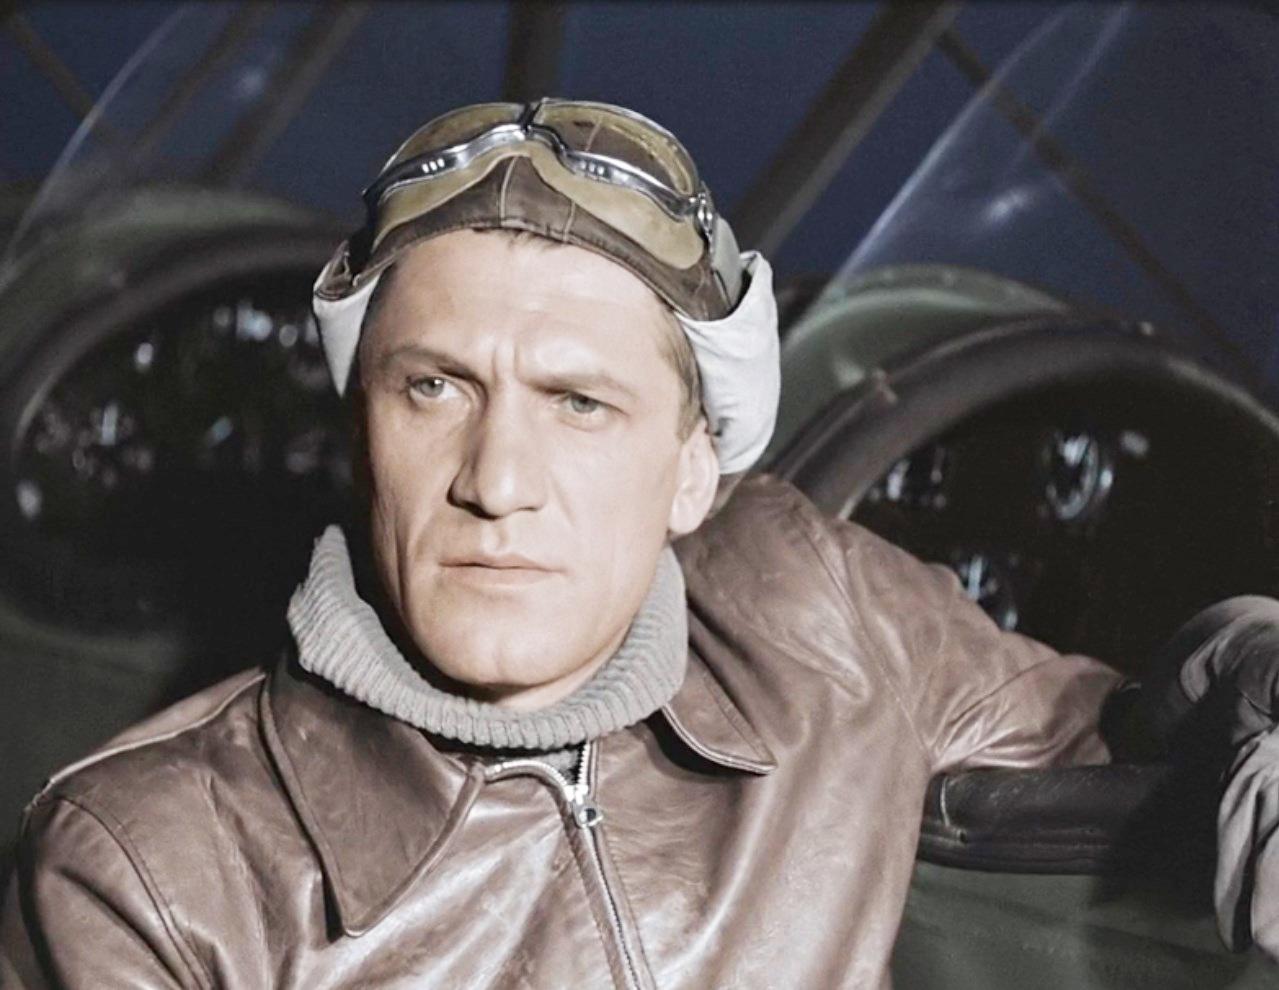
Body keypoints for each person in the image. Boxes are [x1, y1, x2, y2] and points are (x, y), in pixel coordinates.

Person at [0, 98, 1274, 989]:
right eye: (433, 389)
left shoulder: (817, 606)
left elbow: (1113, 732)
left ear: (692, 471)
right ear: (358, 436)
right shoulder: (149, 871)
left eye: (579, 404)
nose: (497, 482)